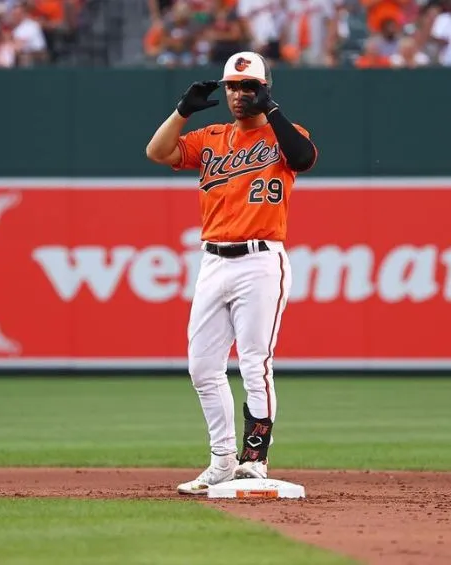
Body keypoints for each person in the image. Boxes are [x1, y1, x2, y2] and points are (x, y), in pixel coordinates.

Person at [145, 51, 317, 495]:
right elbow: (157, 151)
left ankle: (255, 459)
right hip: (213, 260)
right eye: (233, 87)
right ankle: (222, 460)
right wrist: (182, 110)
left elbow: (301, 157)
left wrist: (270, 108)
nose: (239, 95)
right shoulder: (210, 138)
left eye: (249, 86)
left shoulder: (285, 133)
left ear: (265, 88)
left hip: (261, 260)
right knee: (202, 367)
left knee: (255, 362)